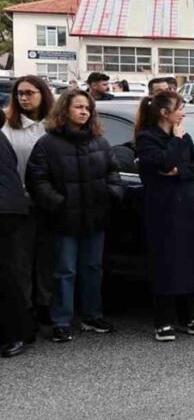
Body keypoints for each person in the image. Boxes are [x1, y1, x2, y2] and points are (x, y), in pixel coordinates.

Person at [26, 90, 122, 343]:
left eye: (87, 108)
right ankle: (61, 321)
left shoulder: (99, 141)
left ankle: (92, 316)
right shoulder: (47, 143)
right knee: (64, 271)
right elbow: (38, 181)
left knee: (92, 268)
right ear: (64, 110)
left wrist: (111, 192)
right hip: (63, 219)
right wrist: (58, 203)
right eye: (78, 107)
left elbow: (113, 171)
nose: (83, 112)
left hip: (95, 216)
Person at [134, 92, 194, 341]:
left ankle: (189, 316)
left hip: (189, 205)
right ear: (164, 113)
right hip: (164, 208)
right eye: (179, 108)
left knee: (193, 260)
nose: (183, 113)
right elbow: (163, 164)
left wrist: (180, 170)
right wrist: (176, 147)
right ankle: (163, 320)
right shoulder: (147, 138)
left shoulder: (183, 135)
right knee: (167, 261)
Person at [2, 76, 55, 322]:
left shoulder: (53, 125)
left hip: (50, 202)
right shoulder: (8, 127)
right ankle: (25, 311)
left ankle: (46, 305)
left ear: (43, 94)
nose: (23, 98)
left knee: (47, 259)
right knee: (21, 261)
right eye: (19, 94)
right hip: (19, 202)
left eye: (29, 93)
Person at [0, 110, 34, 358]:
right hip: (9, 209)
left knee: (6, 276)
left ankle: (17, 334)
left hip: (4, 211)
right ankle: (21, 331)